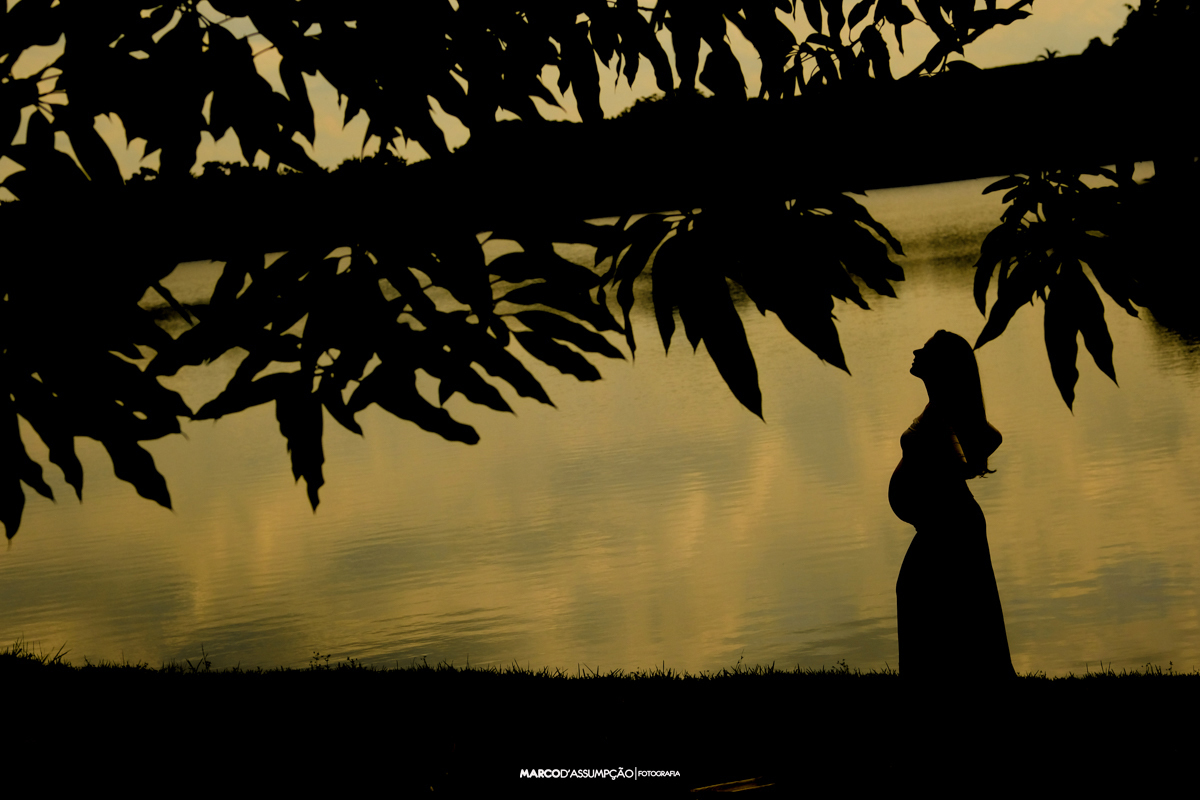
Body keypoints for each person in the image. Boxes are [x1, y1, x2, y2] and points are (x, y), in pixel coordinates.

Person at [888, 330, 1015, 680]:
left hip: (951, 521)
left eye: (926, 350)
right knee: (932, 597)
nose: (916, 351)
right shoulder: (938, 402)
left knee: (931, 595)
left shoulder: (947, 403)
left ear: (941, 365)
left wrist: (963, 469)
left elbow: (989, 438)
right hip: (942, 521)